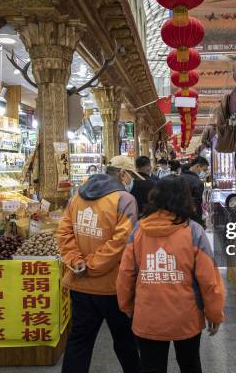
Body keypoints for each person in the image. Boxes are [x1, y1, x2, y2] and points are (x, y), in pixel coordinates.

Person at [117, 175, 225, 373]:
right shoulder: (193, 231)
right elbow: (209, 279)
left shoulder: (139, 230)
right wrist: (214, 313)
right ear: (185, 199)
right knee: (190, 364)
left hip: (148, 314)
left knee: (151, 366)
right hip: (187, 315)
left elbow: (126, 273)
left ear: (155, 197)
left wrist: (126, 305)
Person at [57, 155, 143, 373]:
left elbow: (64, 232)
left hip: (80, 284)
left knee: (79, 342)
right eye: (131, 175)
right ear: (123, 174)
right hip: (113, 287)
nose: (131, 180)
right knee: (125, 341)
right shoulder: (124, 200)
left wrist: (78, 263)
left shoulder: (77, 196)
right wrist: (93, 266)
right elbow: (120, 242)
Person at [180, 156, 209, 225]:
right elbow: (196, 206)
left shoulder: (179, 178)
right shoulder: (198, 183)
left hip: (179, 218)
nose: (205, 173)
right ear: (197, 166)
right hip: (192, 220)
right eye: (204, 170)